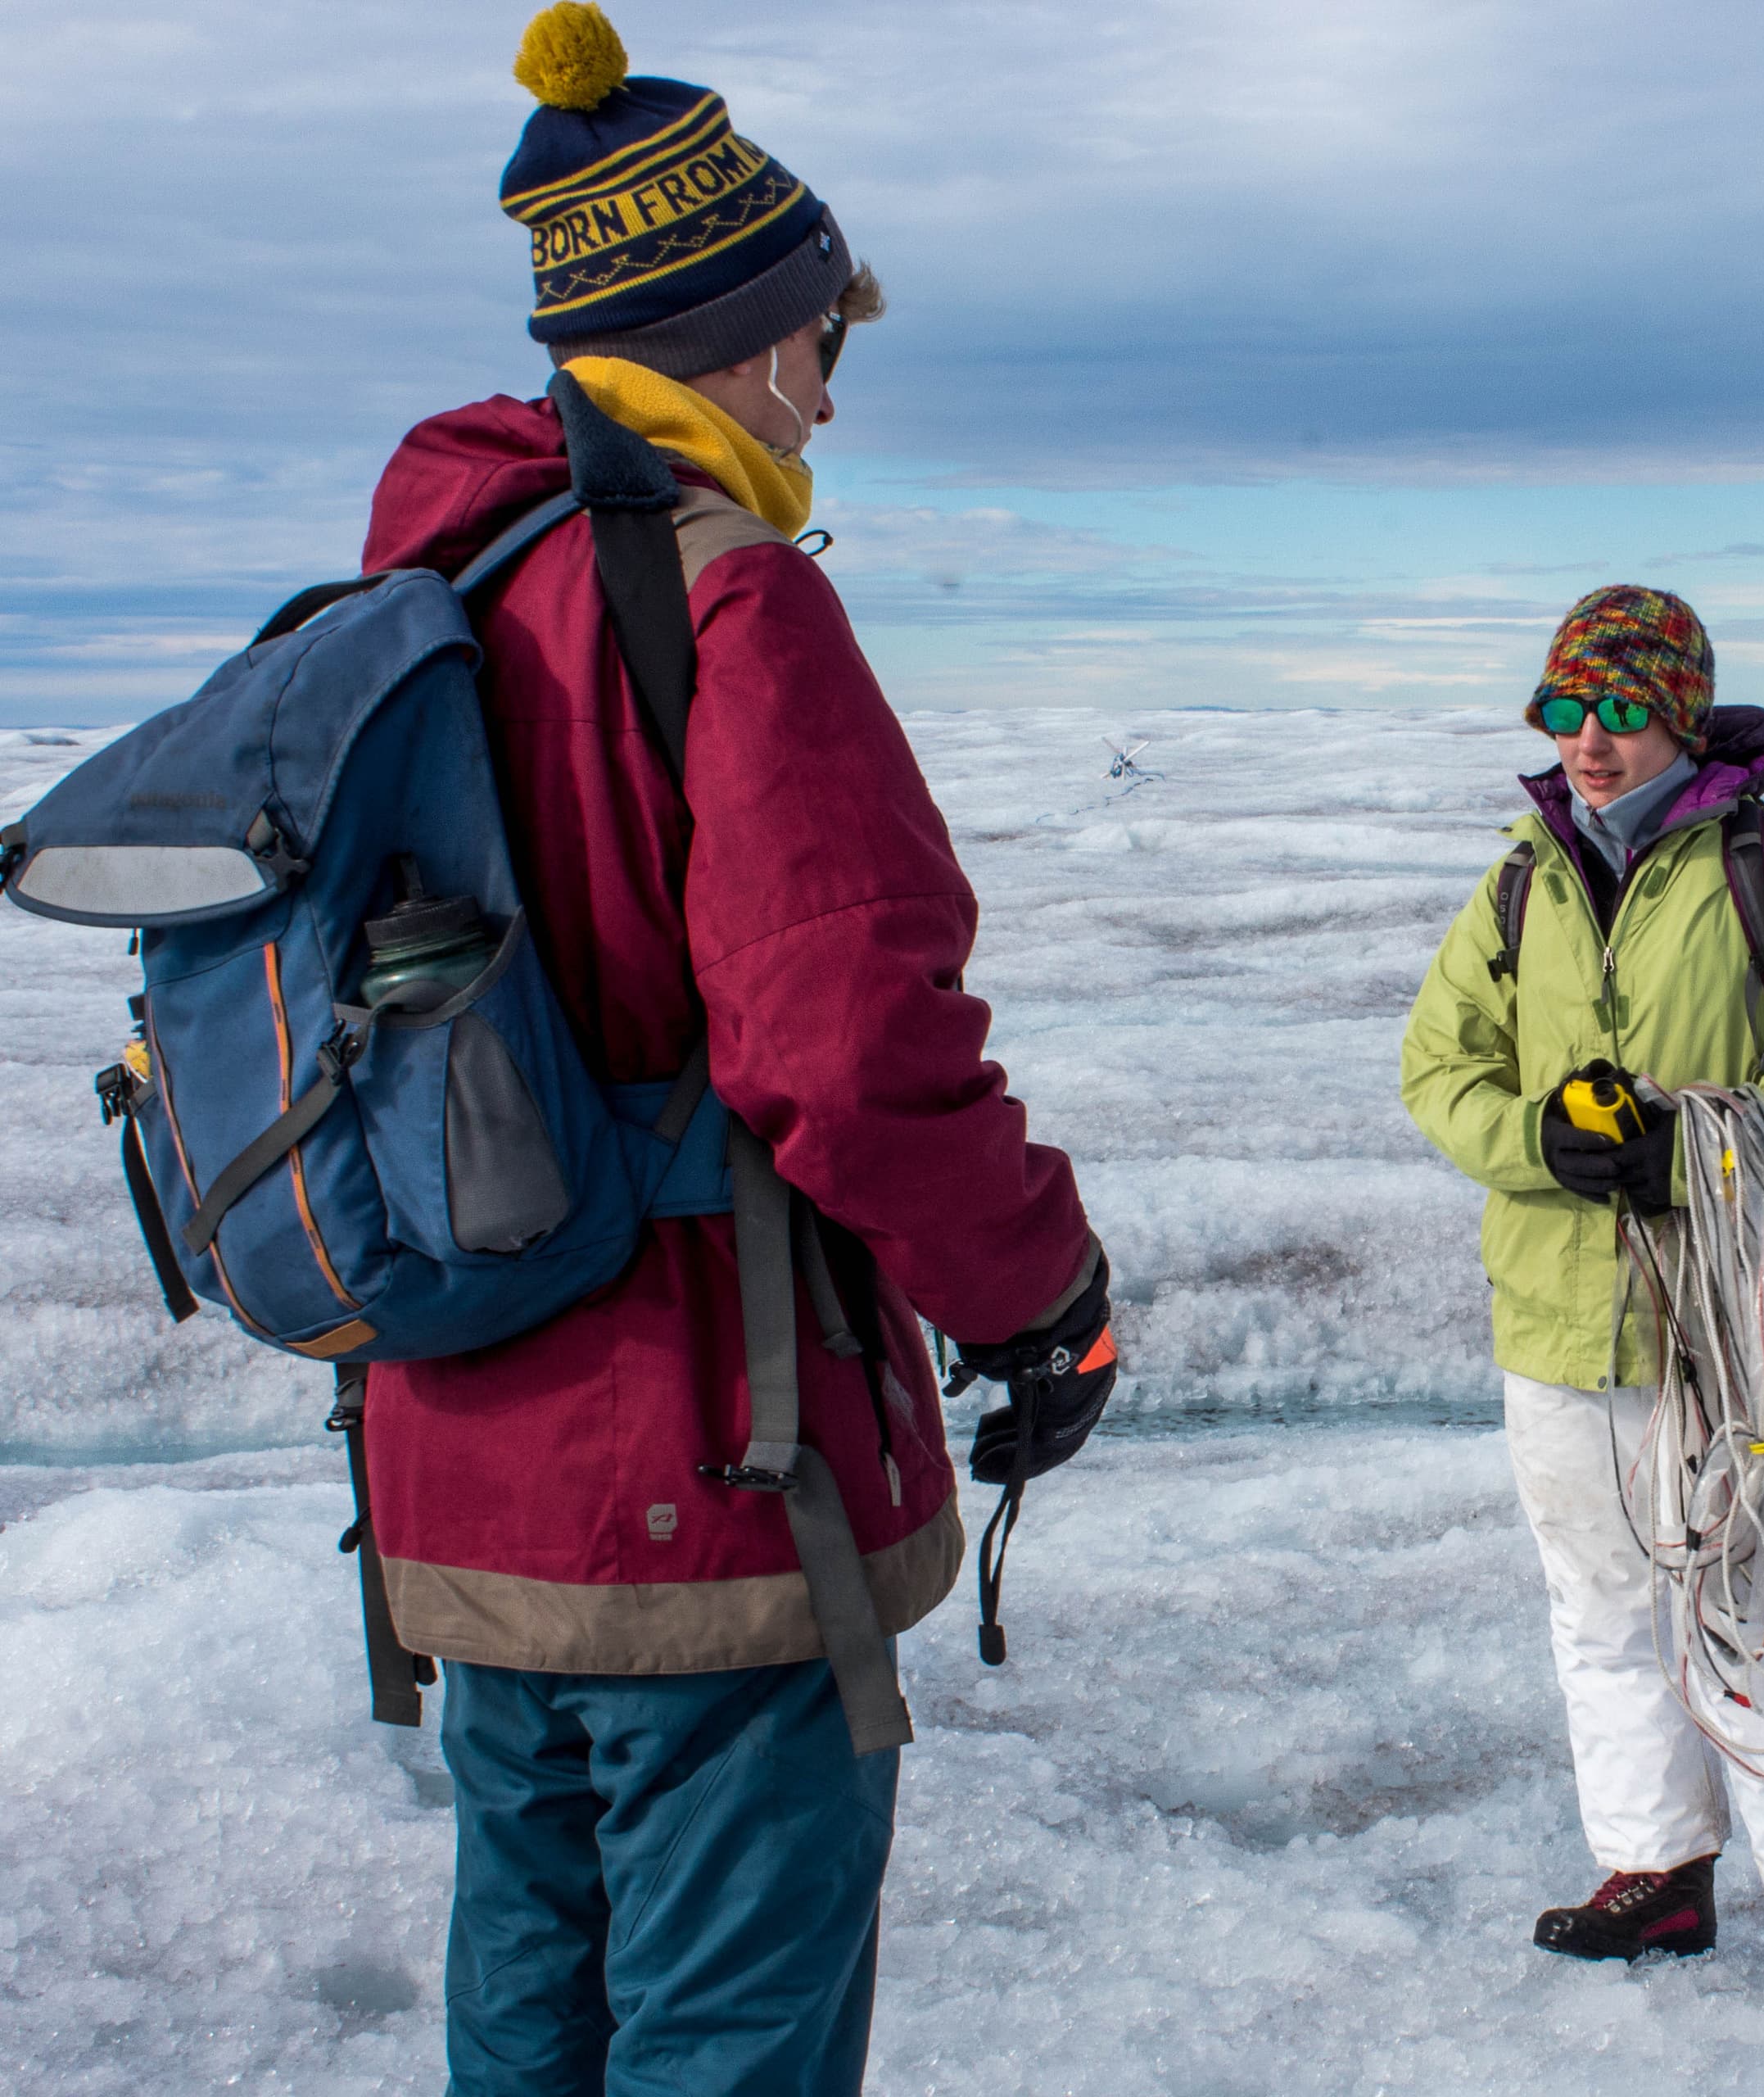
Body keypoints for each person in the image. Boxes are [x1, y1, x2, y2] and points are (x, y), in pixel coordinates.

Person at [354, 10, 1109, 2090]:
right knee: (723, 2039)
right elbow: (851, 1054)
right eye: (824, 342)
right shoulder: (729, 600)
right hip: (712, 1473)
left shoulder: (433, 583)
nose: (836, 394)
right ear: (740, 335)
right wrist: (1045, 1289)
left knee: (532, 2020)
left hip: (461, 1459)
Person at [1399, 586, 1764, 2002]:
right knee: (1600, 1610)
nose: (1587, 739)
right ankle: (1658, 1873)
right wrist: (1543, 1146)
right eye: (1564, 711)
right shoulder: (1521, 877)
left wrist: (1707, 1140)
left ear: (1679, 717)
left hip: (1730, 1318)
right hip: (1557, 1319)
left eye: (1619, 711)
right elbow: (1440, 1071)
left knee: (1748, 1608)